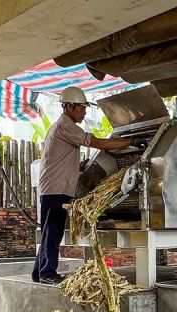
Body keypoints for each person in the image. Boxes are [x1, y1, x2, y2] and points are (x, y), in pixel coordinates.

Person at [32, 86, 134, 285]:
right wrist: (129, 142)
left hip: (52, 187)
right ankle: (47, 274)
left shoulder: (59, 127)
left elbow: (61, 159)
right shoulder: (66, 126)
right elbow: (98, 143)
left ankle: (39, 273)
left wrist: (81, 165)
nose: (84, 112)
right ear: (69, 106)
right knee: (53, 232)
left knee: (48, 232)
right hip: (57, 189)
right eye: (81, 108)